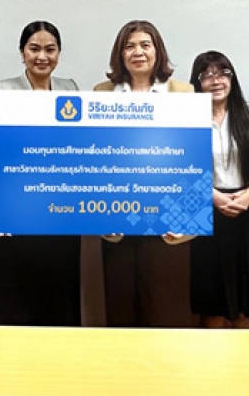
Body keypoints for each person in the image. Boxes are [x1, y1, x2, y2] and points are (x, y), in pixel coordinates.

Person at [93, 19, 196, 327]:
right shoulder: (102, 93)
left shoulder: (183, 92)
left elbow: (192, 157)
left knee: (165, 312)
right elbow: (94, 158)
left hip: (168, 221)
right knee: (120, 310)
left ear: (157, 51)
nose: (137, 52)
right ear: (120, 54)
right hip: (117, 218)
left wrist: (184, 217)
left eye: (145, 45)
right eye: (129, 46)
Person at [0, 21, 81, 326]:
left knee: (58, 301)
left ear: (59, 53)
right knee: (15, 303)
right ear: (22, 52)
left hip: (60, 215)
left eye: (50, 49)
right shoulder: (3, 90)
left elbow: (77, 153)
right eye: (34, 49)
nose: (42, 56)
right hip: (14, 213)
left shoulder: (70, 89)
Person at [188, 51, 249, 328]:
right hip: (206, 209)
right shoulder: (188, 118)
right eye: (206, 75)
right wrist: (214, 197)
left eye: (222, 73)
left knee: (247, 303)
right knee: (212, 303)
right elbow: (180, 167)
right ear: (197, 82)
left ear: (232, 78)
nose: (215, 80)